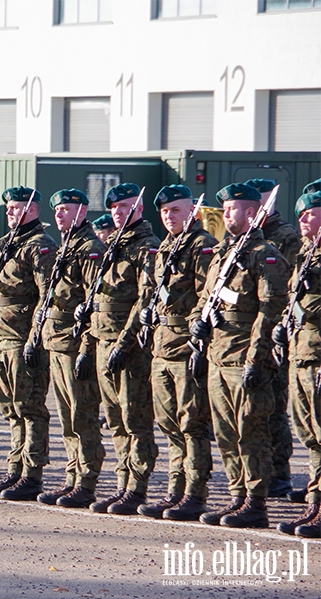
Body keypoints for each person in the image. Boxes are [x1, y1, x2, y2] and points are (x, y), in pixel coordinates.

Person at [190, 183, 289, 528]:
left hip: (245, 357)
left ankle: (257, 502)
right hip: (218, 356)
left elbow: (271, 309)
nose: (225, 215)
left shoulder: (265, 253)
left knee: (251, 432)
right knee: (226, 433)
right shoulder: (223, 253)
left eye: (231, 209)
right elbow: (206, 297)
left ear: (251, 212)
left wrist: (256, 357)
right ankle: (238, 497)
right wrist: (198, 326)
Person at [137, 185, 217, 521]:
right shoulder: (166, 246)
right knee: (168, 423)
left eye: (176, 211)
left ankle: (194, 493)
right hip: (161, 345)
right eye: (166, 212)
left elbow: (206, 294)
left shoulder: (203, 246)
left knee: (191, 423)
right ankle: (175, 490)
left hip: (185, 345)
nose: (170, 217)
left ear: (191, 212)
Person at [82, 182, 161, 514]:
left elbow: (144, 300)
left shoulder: (146, 247)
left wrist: (124, 344)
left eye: (125, 206)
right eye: (114, 208)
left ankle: (137, 487)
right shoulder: (111, 245)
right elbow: (95, 299)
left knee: (135, 419)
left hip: (128, 348)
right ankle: (122, 483)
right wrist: (89, 344)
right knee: (114, 419)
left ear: (139, 209)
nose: (118, 212)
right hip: (103, 341)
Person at [0, 187, 57, 501]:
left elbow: (45, 295)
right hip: (1, 337)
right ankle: (15, 470)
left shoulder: (40, 246)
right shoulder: (9, 245)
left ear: (32, 210)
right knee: (11, 409)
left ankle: (32, 474)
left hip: (23, 338)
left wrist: (35, 338)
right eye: (8, 208)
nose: (9, 213)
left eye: (15, 208)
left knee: (30, 408)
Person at [38, 190, 108, 509]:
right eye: (57, 210)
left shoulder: (91, 248)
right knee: (67, 418)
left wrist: (86, 349)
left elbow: (95, 304)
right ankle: (71, 478)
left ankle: (87, 482)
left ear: (82, 211)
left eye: (66, 209)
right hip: (58, 341)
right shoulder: (67, 245)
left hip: (76, 343)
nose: (59, 215)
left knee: (82, 415)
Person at [246, 178, 300, 498]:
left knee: (275, 407)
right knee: (256, 407)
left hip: (276, 334)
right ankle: (260, 471)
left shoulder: (285, 237)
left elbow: (289, 287)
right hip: (248, 334)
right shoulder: (247, 239)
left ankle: (280, 473)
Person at [276, 190, 321, 538]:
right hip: (301, 355)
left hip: (318, 358)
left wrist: (304, 311)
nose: (303, 220)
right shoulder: (307, 254)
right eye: (301, 215)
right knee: (311, 437)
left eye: (311, 214)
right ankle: (315, 504)